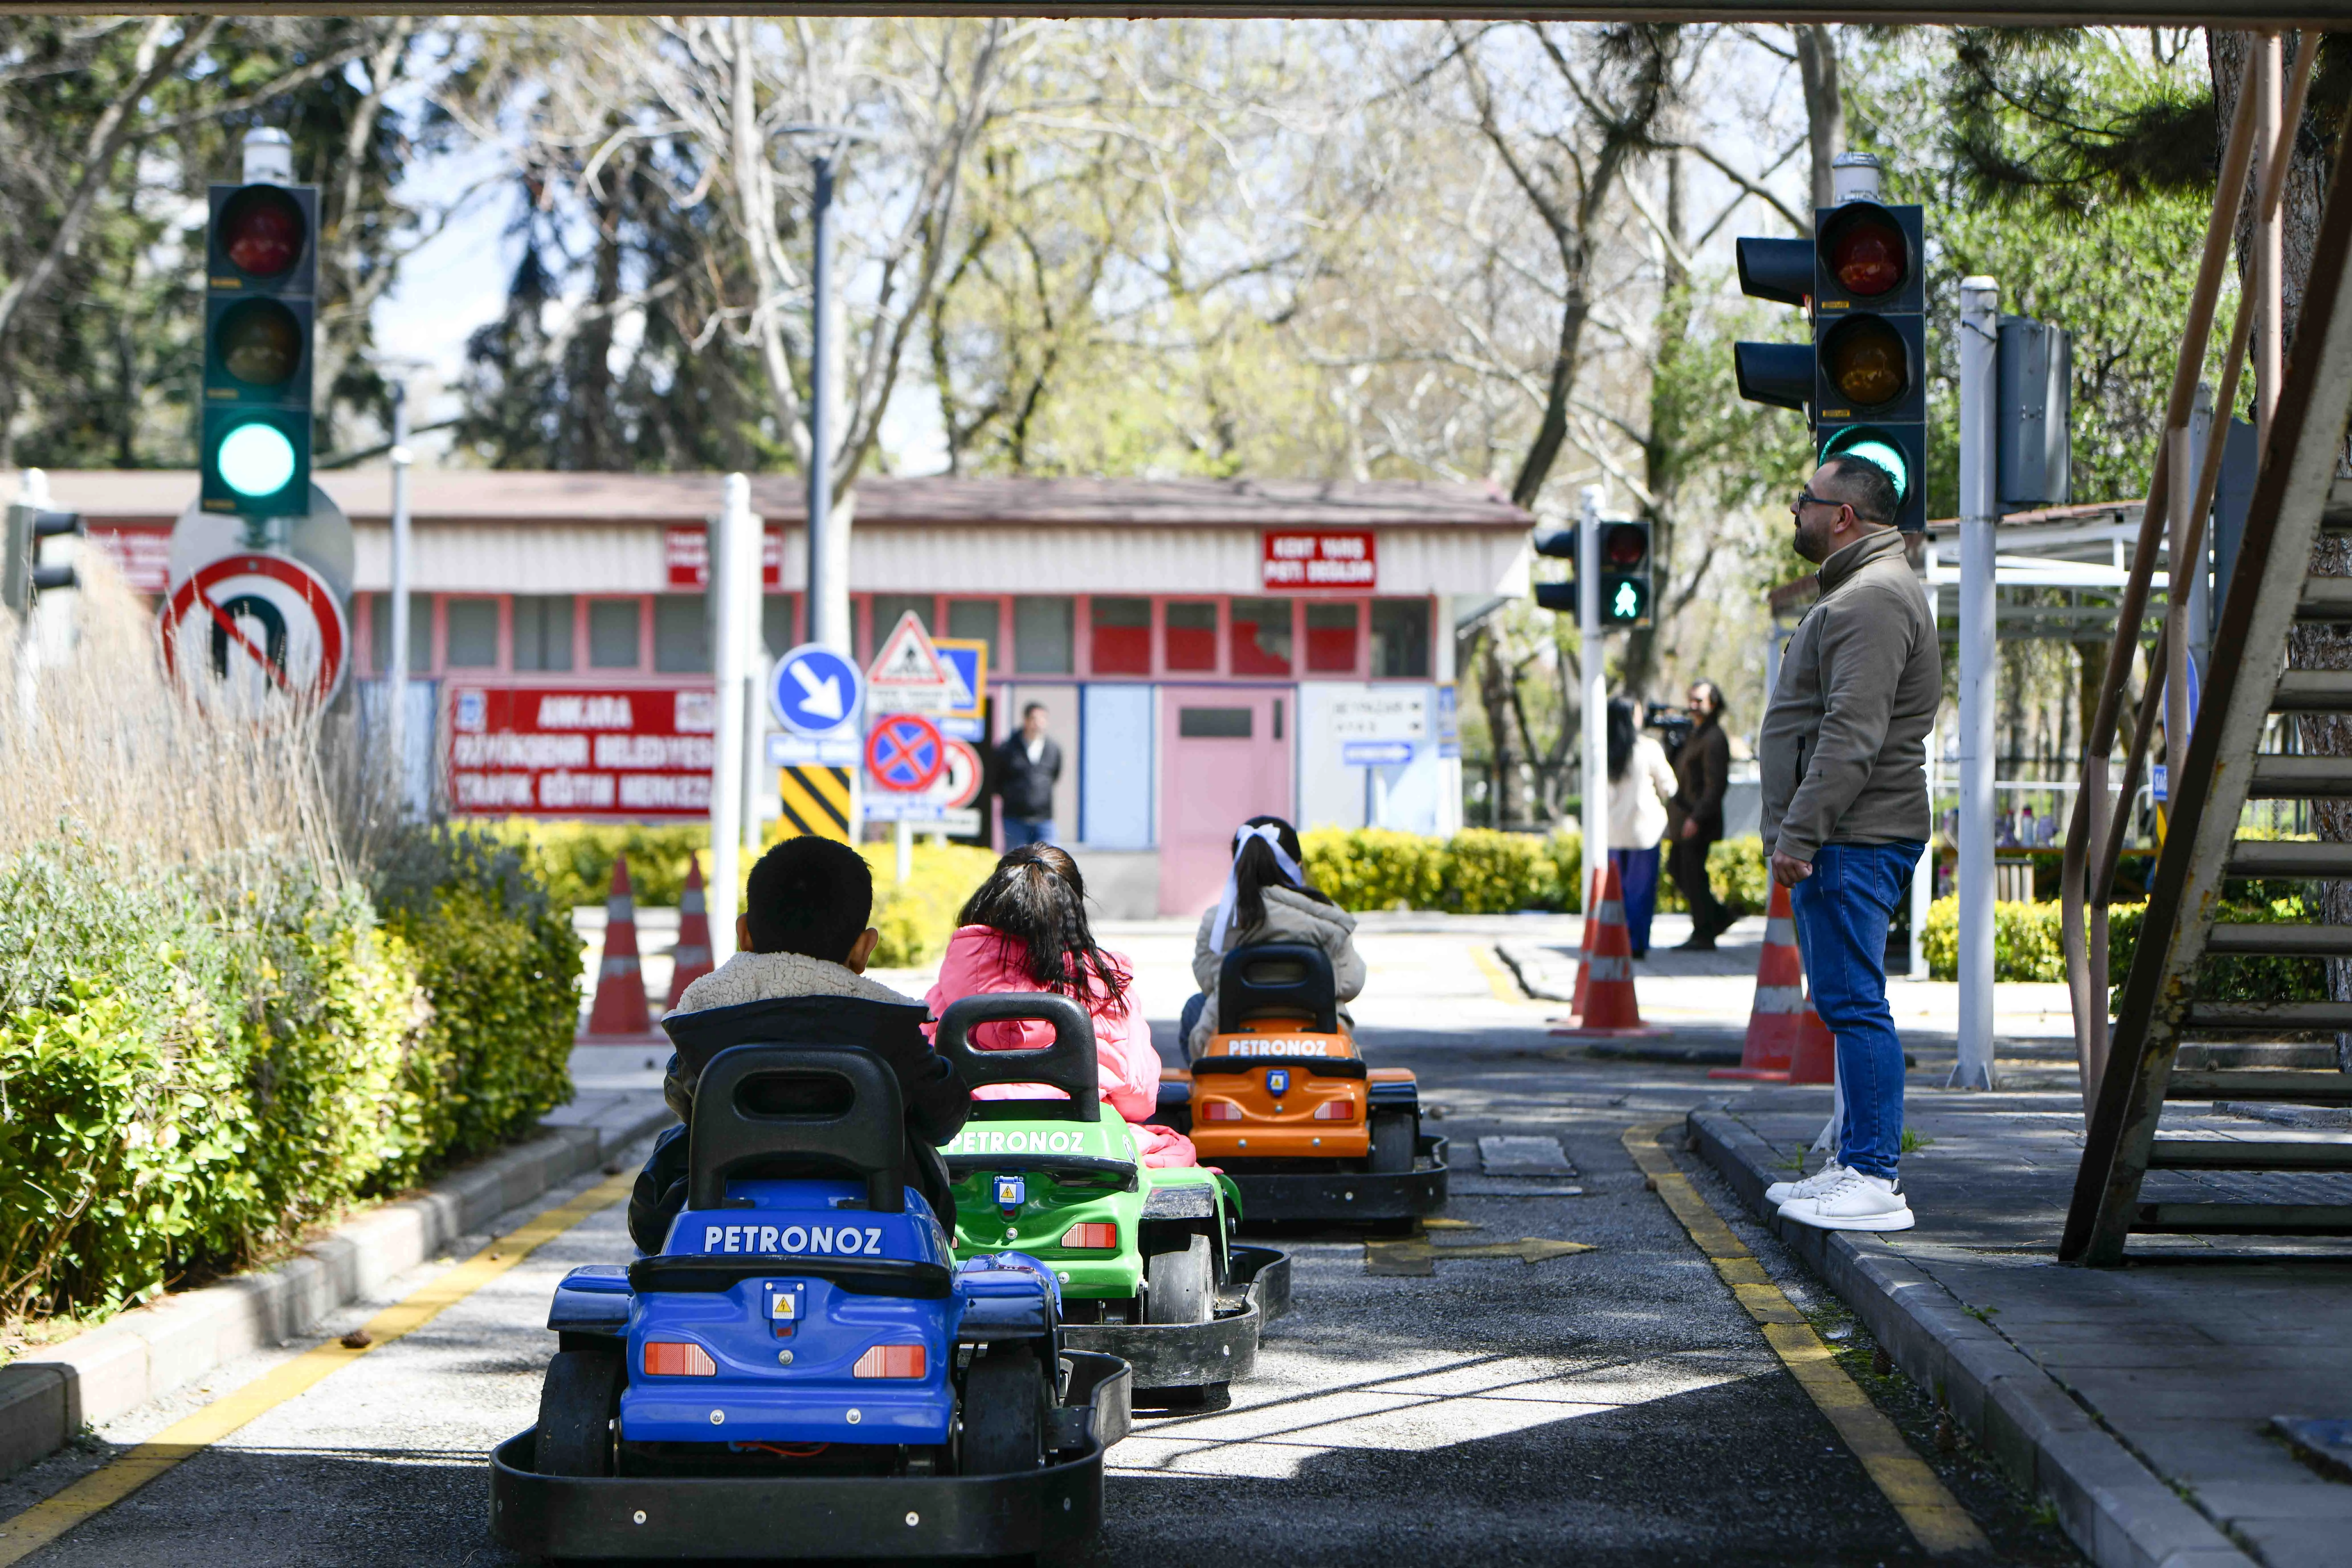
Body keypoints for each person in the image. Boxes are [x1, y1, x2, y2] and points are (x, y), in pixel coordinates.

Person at [627, 836, 971, 1254]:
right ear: (864, 949)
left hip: (720, 1215)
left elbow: (683, 1099)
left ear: (744, 935)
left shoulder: (704, 1018)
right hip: (880, 1229)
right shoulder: (890, 1025)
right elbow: (944, 1118)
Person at [1759, 455, 1940, 1234]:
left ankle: (1873, 1175)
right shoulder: (1862, 591)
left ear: (1843, 517)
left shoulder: (1870, 601)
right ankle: (1854, 1164)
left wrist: (1801, 833)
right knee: (1846, 1001)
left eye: (1806, 501)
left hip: (1853, 836)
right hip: (1851, 834)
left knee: (1856, 1005)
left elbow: (1851, 736)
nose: (1795, 513)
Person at [925, 844, 1198, 1167]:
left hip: (964, 1152)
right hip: (1083, 1155)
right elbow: (1141, 1100)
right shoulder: (1103, 988)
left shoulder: (948, 985)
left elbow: (923, 1083)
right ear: (1074, 908)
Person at [1180, 816, 1365, 1059]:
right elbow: (1351, 983)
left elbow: (1207, 980)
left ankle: (1202, 1080)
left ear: (1240, 863)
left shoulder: (1220, 920)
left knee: (1196, 1005)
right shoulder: (1327, 915)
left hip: (1232, 1034)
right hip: (1318, 1036)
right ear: (1297, 865)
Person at [1606, 695, 1680, 960]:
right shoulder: (1648, 748)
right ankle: (1636, 943)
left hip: (1611, 834)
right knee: (1641, 892)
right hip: (1645, 833)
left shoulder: (1601, 750)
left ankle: (1614, 941)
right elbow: (1670, 787)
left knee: (1615, 892)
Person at [1669, 679, 1734, 951]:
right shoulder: (1694, 735)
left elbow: (1715, 785)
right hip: (1685, 816)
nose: (1693, 706)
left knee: (1693, 874)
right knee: (1678, 868)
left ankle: (1705, 931)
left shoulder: (1714, 738)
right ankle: (1716, 918)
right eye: (1691, 700)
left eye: (1699, 701)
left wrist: (1697, 818)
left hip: (1699, 820)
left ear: (1713, 704)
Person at [994, 703, 1062, 848]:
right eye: (1034, 719)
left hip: (1044, 818)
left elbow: (1055, 776)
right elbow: (996, 779)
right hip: (1015, 819)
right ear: (1026, 720)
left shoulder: (1053, 749)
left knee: (1049, 862)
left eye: (1043, 719)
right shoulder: (1008, 749)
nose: (1038, 723)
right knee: (1016, 864)